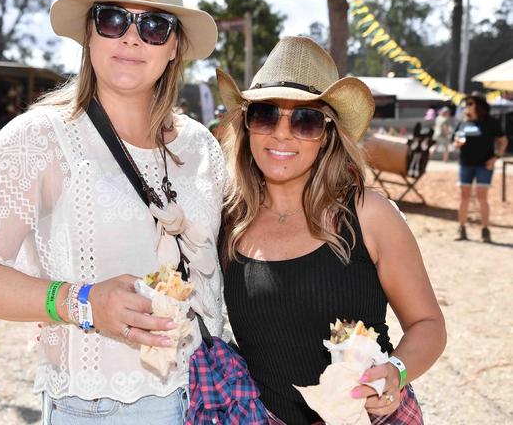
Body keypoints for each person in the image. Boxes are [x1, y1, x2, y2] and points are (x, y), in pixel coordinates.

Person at [0, 0, 226, 424]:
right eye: (112, 19)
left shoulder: (202, 147)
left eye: (154, 26)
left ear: (174, 47)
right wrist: (81, 303)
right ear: (89, 33)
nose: (131, 37)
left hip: (208, 396)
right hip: (99, 409)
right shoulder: (38, 139)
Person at [216, 36, 446, 424]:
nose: (282, 134)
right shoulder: (227, 221)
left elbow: (428, 325)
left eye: (305, 120)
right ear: (247, 125)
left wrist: (397, 372)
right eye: (266, 115)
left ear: (326, 136)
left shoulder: (369, 214)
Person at [453, 92, 508, 242]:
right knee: (464, 197)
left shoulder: (490, 122)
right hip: (465, 164)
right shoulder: (463, 122)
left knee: (482, 197)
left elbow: (503, 141)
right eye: (466, 104)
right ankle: (461, 229)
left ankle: (485, 230)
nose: (467, 107)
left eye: (470, 104)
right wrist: (457, 143)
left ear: (479, 105)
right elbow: (455, 139)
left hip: (484, 165)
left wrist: (496, 157)